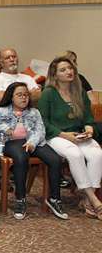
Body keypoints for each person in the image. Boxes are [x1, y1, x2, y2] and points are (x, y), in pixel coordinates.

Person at [0, 82, 68, 220]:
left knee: (55, 159)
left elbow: (40, 131)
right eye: (19, 95)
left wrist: (32, 143)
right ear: (11, 97)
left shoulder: (34, 112)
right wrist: (5, 129)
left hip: (33, 142)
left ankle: (54, 199)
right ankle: (20, 199)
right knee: (21, 157)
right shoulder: (2, 111)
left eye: (26, 95)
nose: (24, 98)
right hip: (11, 142)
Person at [38, 56, 102, 217]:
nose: (69, 71)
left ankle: (87, 201)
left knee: (97, 153)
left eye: (70, 68)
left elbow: (88, 117)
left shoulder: (78, 91)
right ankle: (93, 199)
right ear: (55, 75)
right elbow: (43, 122)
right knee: (75, 154)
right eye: (63, 69)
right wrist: (64, 135)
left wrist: (89, 129)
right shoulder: (48, 94)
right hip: (56, 135)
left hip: (78, 134)